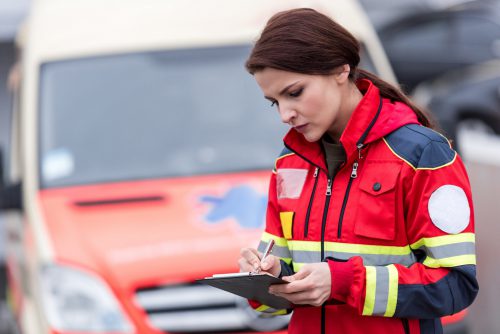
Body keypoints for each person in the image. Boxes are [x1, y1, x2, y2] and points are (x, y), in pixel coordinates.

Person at [238, 8, 478, 334]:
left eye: (294, 93)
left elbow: (456, 286)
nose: (285, 114)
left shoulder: (422, 154)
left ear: (340, 69)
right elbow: (275, 304)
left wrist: (345, 282)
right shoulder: (288, 163)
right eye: (274, 101)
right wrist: (267, 276)